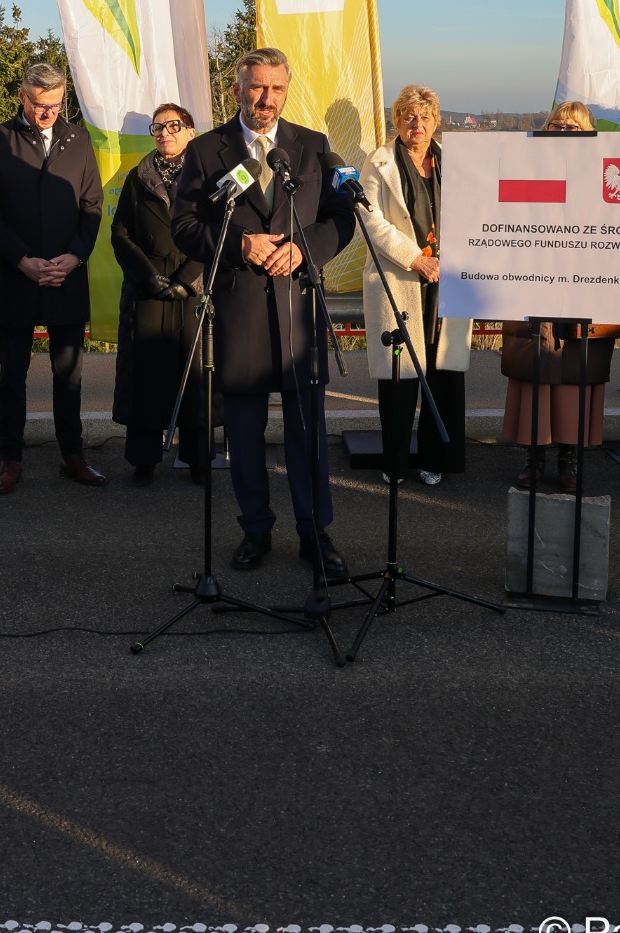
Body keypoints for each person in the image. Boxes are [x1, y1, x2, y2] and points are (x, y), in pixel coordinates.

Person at [170, 47, 356, 581]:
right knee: (245, 434)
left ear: (286, 91)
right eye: (257, 87)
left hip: (298, 307)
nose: (266, 98)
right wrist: (240, 245)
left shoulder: (313, 146)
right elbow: (184, 226)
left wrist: (305, 248)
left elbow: (341, 219)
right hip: (242, 310)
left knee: (307, 434)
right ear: (237, 90)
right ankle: (255, 527)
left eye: (276, 88)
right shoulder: (206, 150)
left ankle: (314, 532)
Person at [0, 63, 106, 493]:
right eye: (39, 105)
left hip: (67, 277)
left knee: (69, 376)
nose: (48, 113)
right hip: (18, 278)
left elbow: (92, 204)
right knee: (13, 375)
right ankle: (10, 459)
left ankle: (72, 455)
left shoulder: (78, 139)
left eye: (56, 104)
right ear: (21, 96)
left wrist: (74, 257)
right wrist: (21, 260)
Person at [358, 84, 471, 486]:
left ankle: (435, 459)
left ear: (436, 122)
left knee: (444, 374)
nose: (417, 125)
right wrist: (415, 258)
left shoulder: (453, 162)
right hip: (402, 276)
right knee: (401, 376)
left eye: (425, 117)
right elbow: (369, 218)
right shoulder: (379, 162)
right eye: (409, 117)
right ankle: (395, 463)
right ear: (397, 121)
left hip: (447, 280)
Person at [501, 101, 610, 492]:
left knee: (575, 374)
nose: (564, 133)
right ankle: (534, 457)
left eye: (573, 128)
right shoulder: (526, 168)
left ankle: (569, 458)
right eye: (557, 126)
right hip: (534, 284)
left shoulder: (602, 173)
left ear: (589, 133)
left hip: (585, 286)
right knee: (536, 371)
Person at [110, 103, 208, 486]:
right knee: (146, 375)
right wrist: (147, 277)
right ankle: (143, 459)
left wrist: (187, 279)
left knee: (194, 375)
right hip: (147, 287)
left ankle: (197, 458)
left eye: (173, 126)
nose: (164, 133)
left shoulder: (208, 177)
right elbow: (120, 234)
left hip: (192, 288)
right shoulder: (138, 178)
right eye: (158, 127)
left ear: (190, 132)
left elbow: (219, 231)